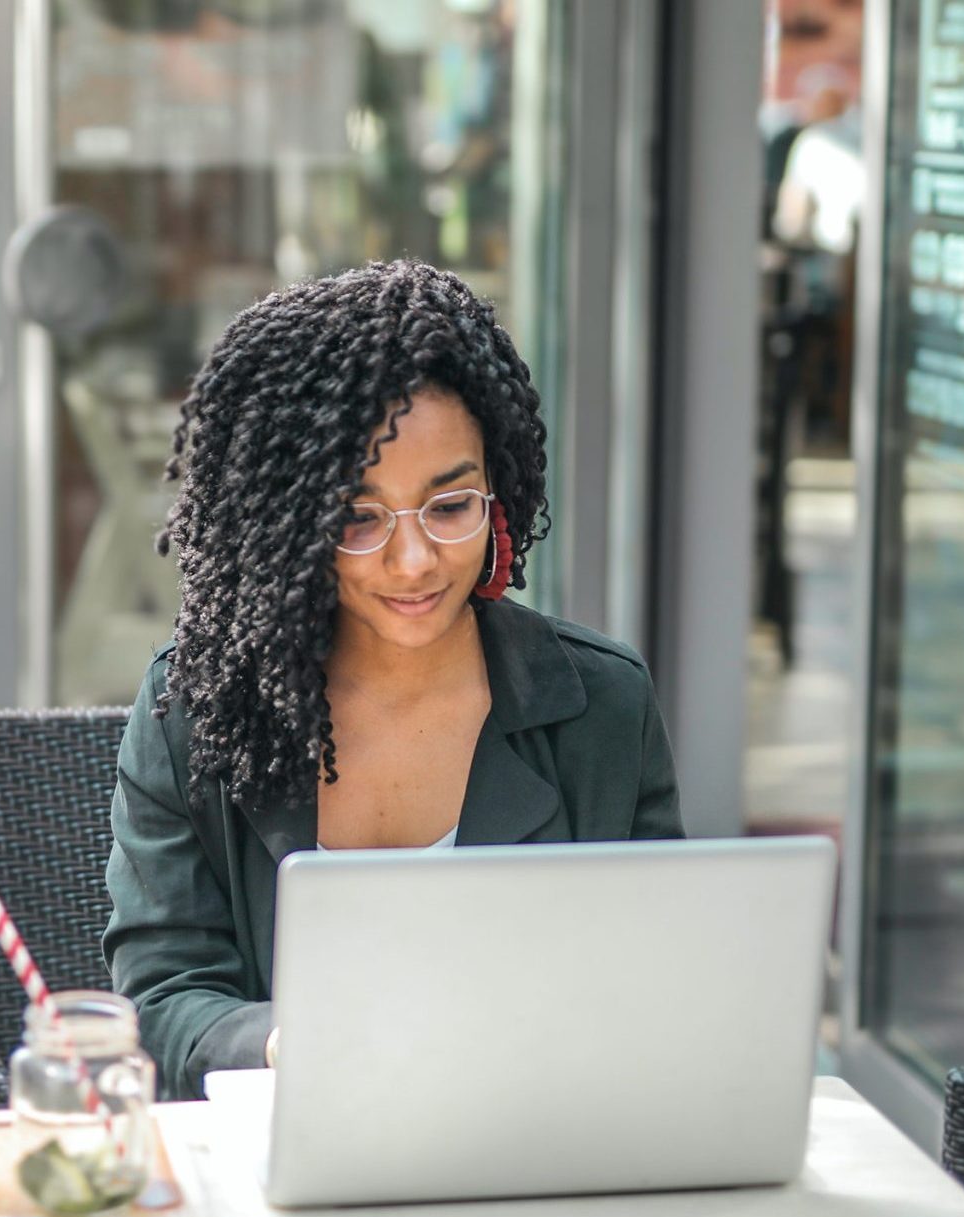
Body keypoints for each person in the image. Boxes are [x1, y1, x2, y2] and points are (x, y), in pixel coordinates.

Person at [104, 262, 686, 1100]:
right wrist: (281, 1042)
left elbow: (658, 986)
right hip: (286, 1162)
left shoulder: (602, 707)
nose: (413, 563)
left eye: (450, 508)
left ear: (501, 495)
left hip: (541, 1148)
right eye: (357, 518)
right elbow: (161, 1001)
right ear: (289, 525)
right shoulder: (196, 711)